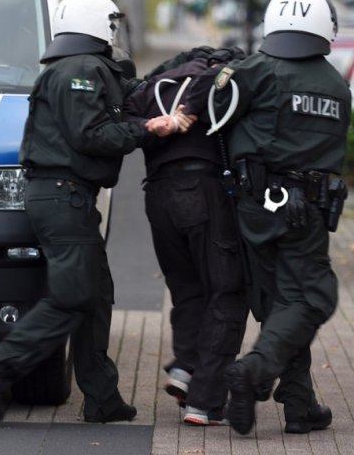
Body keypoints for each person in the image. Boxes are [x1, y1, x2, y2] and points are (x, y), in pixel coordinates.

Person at [0, 0, 181, 423]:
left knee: (95, 296)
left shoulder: (83, 67)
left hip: (68, 197)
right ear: (95, 24)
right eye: (111, 25)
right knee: (74, 294)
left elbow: (128, 92)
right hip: (63, 196)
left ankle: (102, 398)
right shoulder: (79, 70)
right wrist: (148, 130)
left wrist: (178, 71)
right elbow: (92, 135)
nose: (114, 33)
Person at [204, 0, 351, 436]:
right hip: (307, 209)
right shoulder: (336, 84)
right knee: (310, 295)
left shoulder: (253, 71)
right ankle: (254, 372)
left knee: (280, 302)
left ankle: (299, 403)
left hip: (254, 205)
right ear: (325, 27)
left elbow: (215, 118)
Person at [123, 46, 249, 426]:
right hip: (202, 191)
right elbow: (222, 78)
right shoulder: (221, 72)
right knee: (227, 291)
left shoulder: (156, 83)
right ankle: (205, 401)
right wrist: (186, 117)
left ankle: (186, 368)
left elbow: (129, 114)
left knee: (188, 290)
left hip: (157, 195)